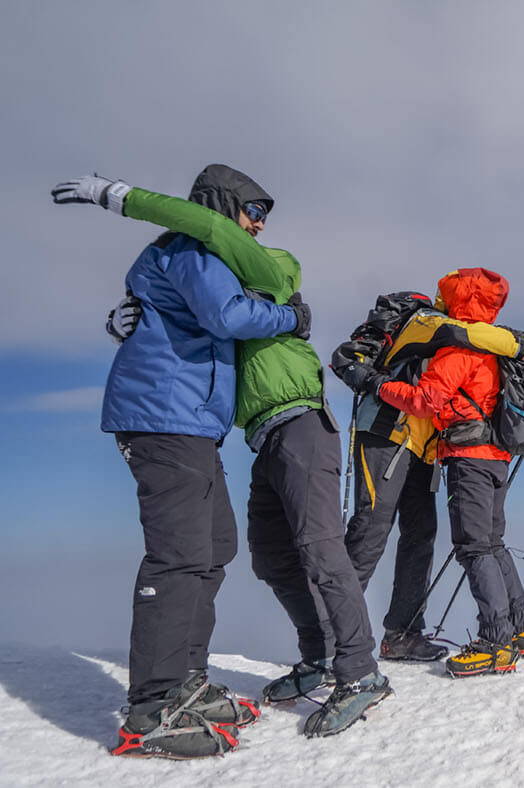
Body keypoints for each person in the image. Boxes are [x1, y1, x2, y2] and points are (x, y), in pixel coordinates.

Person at [72, 166, 391, 739]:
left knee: (317, 548)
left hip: (300, 422)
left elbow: (223, 256)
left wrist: (289, 311)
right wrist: (131, 322)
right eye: (252, 211)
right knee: (261, 556)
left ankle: (359, 671)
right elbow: (192, 298)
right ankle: (313, 656)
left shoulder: (272, 269)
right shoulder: (207, 268)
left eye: (265, 217)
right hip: (253, 433)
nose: (260, 225)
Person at [52, 170, 304, 758]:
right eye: (253, 208)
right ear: (221, 206)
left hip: (189, 420)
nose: (260, 222)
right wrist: (292, 317)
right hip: (164, 418)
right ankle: (150, 707)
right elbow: (229, 317)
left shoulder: (197, 253)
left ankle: (184, 684)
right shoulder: (195, 248)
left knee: (215, 548)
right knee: (180, 556)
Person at [330, 296, 524, 663]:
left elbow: (468, 341)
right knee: (372, 530)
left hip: (425, 444)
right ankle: (333, 640)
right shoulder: (430, 323)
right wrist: (522, 346)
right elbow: (461, 336)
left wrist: (521, 345)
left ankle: (403, 634)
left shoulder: (459, 338)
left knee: (425, 535)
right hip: (391, 433)